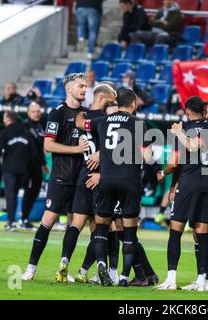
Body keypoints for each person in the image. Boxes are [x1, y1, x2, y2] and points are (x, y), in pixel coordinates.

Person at [79, 88, 153, 287]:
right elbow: (147, 156)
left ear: (117, 103)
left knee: (101, 226)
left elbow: (82, 123)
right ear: (134, 104)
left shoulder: (102, 121)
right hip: (129, 181)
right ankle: (123, 277)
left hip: (107, 180)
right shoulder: (138, 123)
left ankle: (101, 264)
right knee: (129, 233)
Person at [21, 73, 89, 281]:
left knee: (75, 224)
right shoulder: (57, 113)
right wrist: (76, 149)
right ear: (69, 89)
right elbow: (48, 145)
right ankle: (31, 268)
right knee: (48, 220)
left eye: (86, 86)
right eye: (81, 86)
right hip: (61, 176)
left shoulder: (87, 114)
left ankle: (64, 267)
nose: (85, 89)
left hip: (81, 179)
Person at [55, 82, 117, 284]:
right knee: (102, 227)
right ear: (101, 99)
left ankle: (64, 263)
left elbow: (81, 122)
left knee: (76, 224)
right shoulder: (106, 120)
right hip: (100, 177)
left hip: (82, 175)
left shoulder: (82, 118)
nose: (113, 105)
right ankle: (100, 266)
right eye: (110, 100)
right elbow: (114, 148)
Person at [155, 96, 208, 292]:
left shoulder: (185, 130)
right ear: (204, 111)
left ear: (188, 112)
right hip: (207, 184)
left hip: (188, 183)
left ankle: (171, 278)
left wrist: (165, 174)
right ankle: (202, 280)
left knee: (176, 231)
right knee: (202, 234)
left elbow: (174, 161)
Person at [0, 111, 37, 231]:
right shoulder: (26, 132)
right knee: (22, 193)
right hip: (25, 169)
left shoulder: (5, 132)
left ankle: (11, 222)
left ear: (7, 119)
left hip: (9, 169)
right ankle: (23, 219)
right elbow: (33, 152)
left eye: (4, 117)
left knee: (11, 195)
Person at [20, 102, 49, 230]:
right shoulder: (25, 126)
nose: (37, 114)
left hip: (37, 165)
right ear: (28, 113)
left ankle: (26, 218)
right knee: (29, 191)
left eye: (38, 111)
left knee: (35, 191)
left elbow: (40, 147)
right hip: (28, 166)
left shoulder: (39, 126)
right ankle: (23, 219)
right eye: (34, 111)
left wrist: (43, 163)